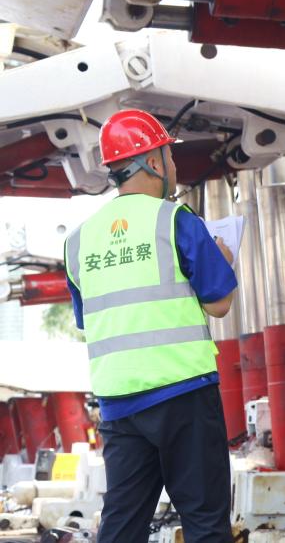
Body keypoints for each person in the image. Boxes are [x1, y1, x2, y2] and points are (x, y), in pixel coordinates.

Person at [64, 109, 237, 543]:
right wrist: (223, 260)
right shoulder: (175, 220)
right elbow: (220, 303)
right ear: (154, 162)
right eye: (170, 157)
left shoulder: (78, 240)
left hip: (118, 404)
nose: (174, 167)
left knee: (122, 523)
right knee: (204, 520)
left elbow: (88, 320)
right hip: (183, 394)